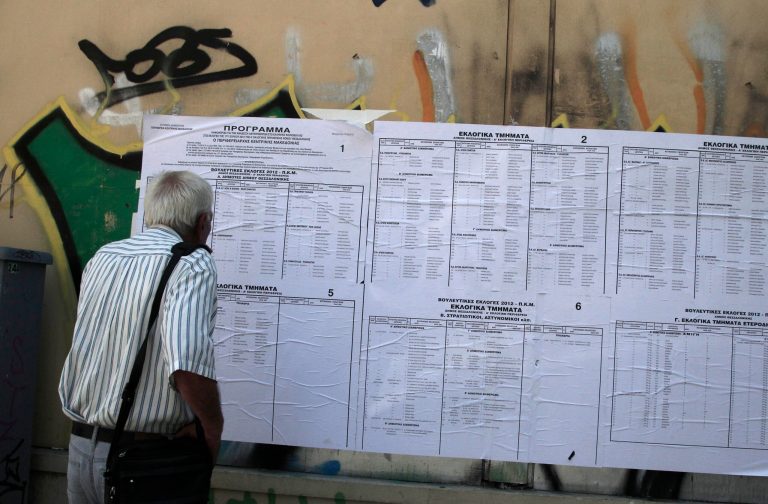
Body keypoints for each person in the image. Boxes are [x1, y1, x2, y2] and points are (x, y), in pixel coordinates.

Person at [58, 170, 223, 503]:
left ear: (151, 215)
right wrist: (212, 426)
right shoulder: (191, 264)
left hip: (80, 452)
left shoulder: (103, 257)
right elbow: (186, 362)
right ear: (203, 222)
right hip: (143, 461)